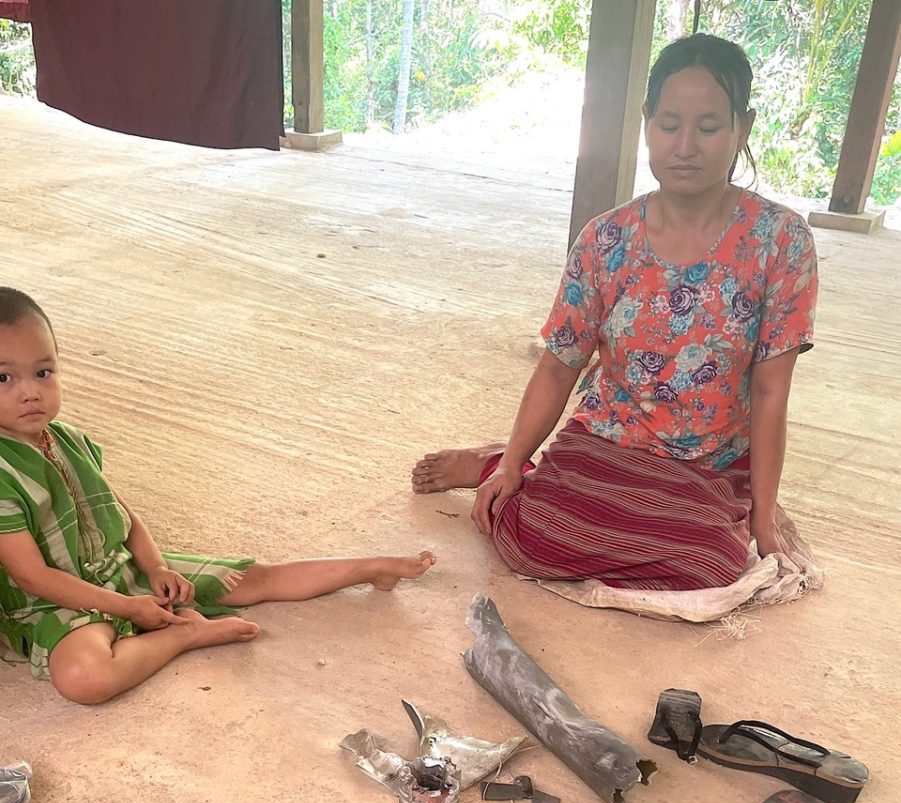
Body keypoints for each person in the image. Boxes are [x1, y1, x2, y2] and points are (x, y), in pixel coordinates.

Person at [412, 33, 817, 593]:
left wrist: (765, 522)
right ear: (646, 123)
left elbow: (772, 391)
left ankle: (536, 476)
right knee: (537, 538)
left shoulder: (781, 240)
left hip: (711, 462)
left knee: (713, 565)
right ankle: (498, 463)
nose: (686, 145)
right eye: (669, 124)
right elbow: (560, 366)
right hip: (610, 439)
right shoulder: (605, 239)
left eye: (709, 126)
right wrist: (512, 468)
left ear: (743, 128)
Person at [0, 288, 435, 704]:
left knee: (257, 578)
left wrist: (154, 568)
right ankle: (185, 634)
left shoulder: (68, 439)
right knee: (83, 678)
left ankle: (370, 568)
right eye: (4, 377)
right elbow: (34, 578)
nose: (30, 391)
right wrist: (128, 608)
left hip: (123, 572)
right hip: (57, 601)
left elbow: (121, 513)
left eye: (43, 372)